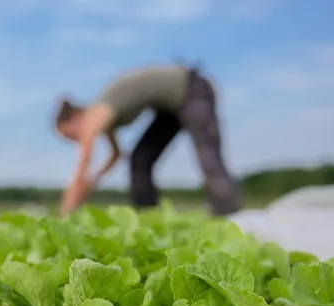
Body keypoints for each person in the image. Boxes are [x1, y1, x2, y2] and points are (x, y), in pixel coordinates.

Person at [53, 63, 242, 217]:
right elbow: (116, 154)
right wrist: (95, 179)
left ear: (75, 118)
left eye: (69, 135)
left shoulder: (95, 115)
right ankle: (149, 219)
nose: (74, 140)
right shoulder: (104, 117)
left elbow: (81, 168)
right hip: (169, 110)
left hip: (192, 90)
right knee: (139, 159)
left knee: (208, 157)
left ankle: (230, 215)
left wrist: (65, 212)